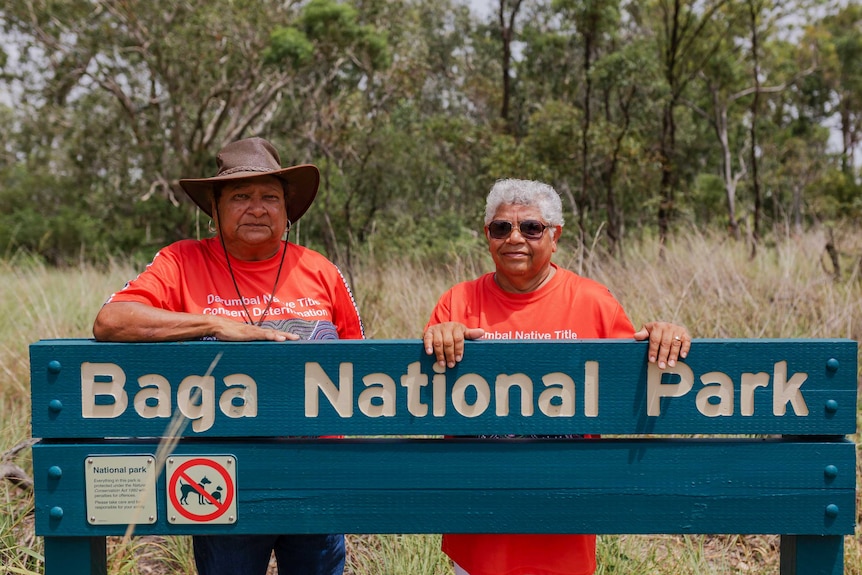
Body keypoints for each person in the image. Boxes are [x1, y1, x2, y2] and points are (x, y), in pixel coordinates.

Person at [93, 137, 363, 575]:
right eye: (241, 196)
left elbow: (362, 369)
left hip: (315, 476)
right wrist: (212, 325)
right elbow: (112, 320)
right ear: (214, 210)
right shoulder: (181, 262)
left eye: (270, 197)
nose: (257, 208)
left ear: (287, 212)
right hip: (223, 478)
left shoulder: (321, 270)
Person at [422, 178, 690, 575]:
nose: (515, 238)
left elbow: (635, 381)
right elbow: (423, 394)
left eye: (531, 227)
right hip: (481, 539)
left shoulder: (594, 302)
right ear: (487, 236)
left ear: (555, 236)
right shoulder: (457, 302)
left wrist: (670, 336)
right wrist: (438, 337)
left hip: (564, 533)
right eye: (502, 228)